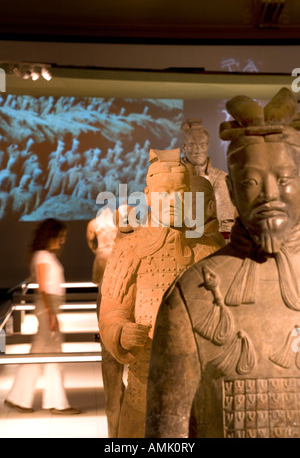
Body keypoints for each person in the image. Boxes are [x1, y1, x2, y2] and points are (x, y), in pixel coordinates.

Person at [145, 87, 300, 439]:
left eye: (285, 179)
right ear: (230, 191)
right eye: (250, 181)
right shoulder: (191, 294)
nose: (270, 195)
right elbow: (166, 432)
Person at [99, 148, 225, 438]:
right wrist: (121, 332)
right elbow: (111, 312)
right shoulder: (130, 249)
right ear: (147, 195)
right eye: (162, 194)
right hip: (145, 390)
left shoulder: (207, 249)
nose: (171, 202)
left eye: (179, 193)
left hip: (200, 390)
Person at [5, 218, 80, 415]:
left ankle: (20, 398)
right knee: (51, 355)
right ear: (50, 236)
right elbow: (45, 289)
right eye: (60, 236)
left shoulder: (43, 255)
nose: (62, 241)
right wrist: (51, 314)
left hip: (48, 308)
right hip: (48, 309)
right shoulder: (42, 256)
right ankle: (56, 403)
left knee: (41, 355)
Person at [86, 205, 135, 438]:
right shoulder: (120, 231)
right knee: (113, 376)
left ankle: (118, 432)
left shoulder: (95, 225)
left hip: (111, 272)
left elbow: (91, 244)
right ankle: (115, 434)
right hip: (111, 284)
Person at [181, 118, 236, 237]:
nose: (197, 150)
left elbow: (226, 225)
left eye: (202, 145)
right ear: (184, 148)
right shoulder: (174, 177)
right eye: (192, 145)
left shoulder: (220, 177)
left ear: (207, 146)